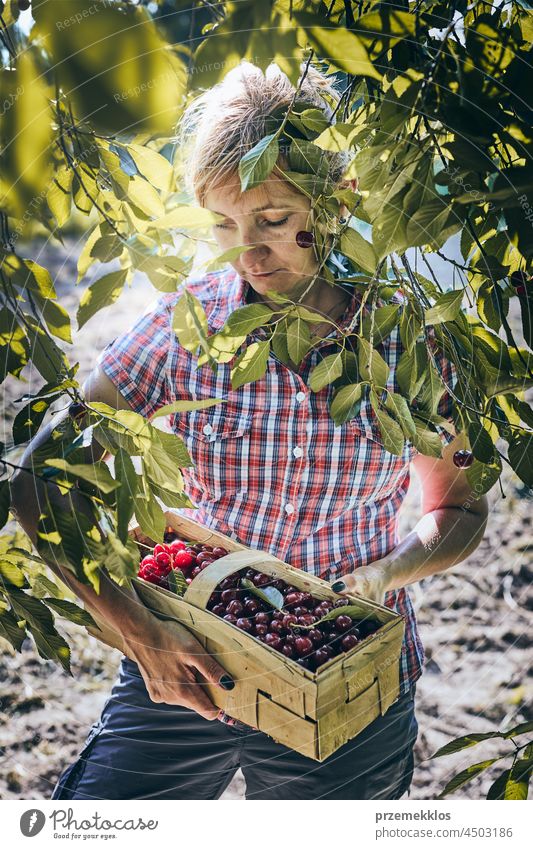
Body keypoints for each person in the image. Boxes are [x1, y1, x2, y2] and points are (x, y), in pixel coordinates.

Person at [11, 62, 488, 800]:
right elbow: (41, 481)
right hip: (192, 648)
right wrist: (141, 634)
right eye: (222, 226)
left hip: (345, 670)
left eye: (269, 221)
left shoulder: (406, 340)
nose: (246, 253)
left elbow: (457, 510)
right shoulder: (185, 326)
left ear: (333, 203)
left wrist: (386, 573)